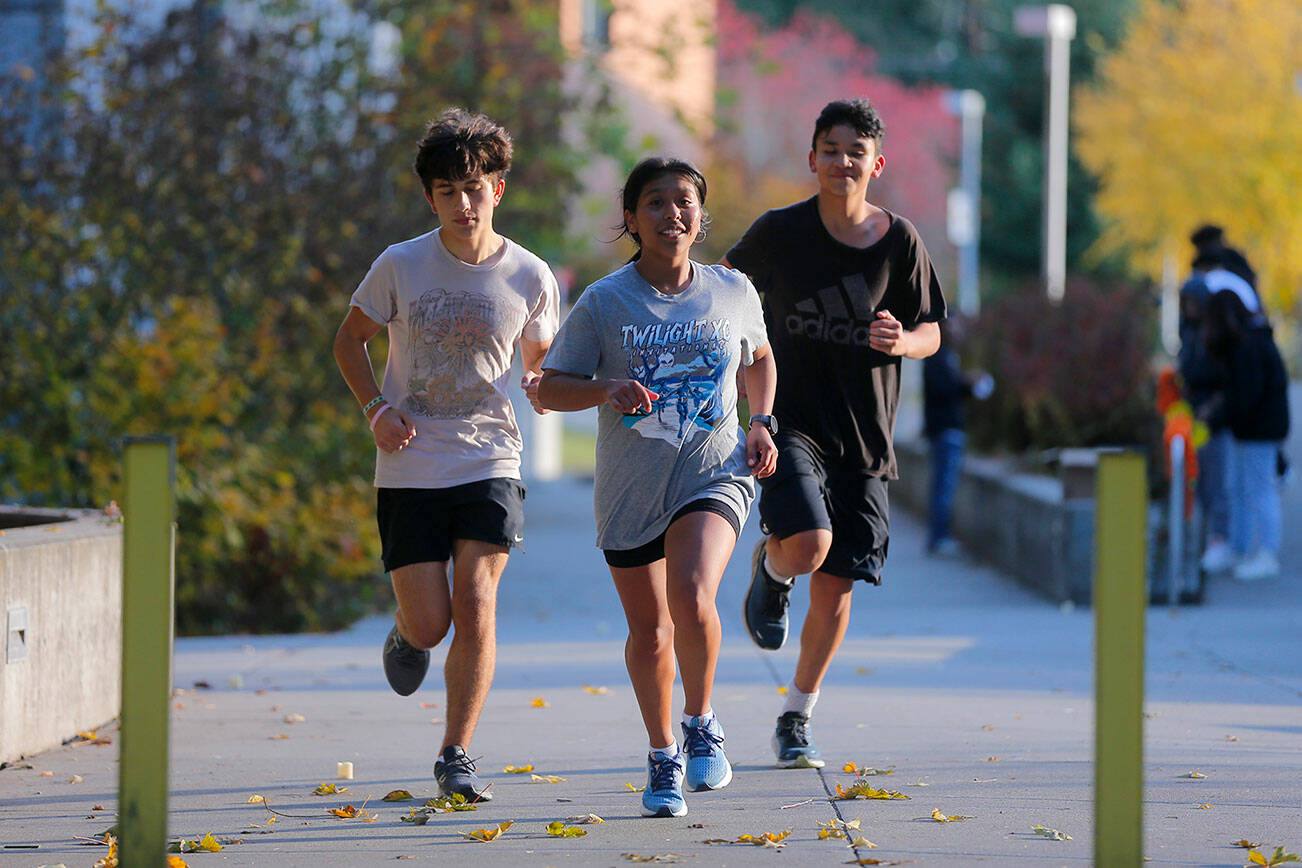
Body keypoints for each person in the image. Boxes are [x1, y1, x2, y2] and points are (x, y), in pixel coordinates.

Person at [332, 108, 560, 802]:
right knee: (432, 622)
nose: (463, 203)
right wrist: (376, 409)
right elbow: (350, 341)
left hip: (490, 460)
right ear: (430, 197)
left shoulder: (529, 275)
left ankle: (456, 753)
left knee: (478, 601)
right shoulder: (401, 265)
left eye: (475, 186)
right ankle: (407, 635)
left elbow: (544, 363)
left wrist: (549, 387)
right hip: (409, 463)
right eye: (447, 191)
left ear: (498, 187)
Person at [538, 157, 777, 818]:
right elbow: (551, 389)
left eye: (684, 202)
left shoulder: (732, 290)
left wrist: (761, 422)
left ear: (699, 218)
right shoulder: (604, 302)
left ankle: (701, 722)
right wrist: (603, 390)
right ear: (631, 219)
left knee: (693, 593)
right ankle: (661, 750)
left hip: (714, 470)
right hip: (630, 489)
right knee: (649, 633)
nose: (672, 214)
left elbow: (759, 357)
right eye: (656, 203)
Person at [721, 98, 945, 768]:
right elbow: (726, 290)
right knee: (811, 544)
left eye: (857, 151)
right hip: (789, 421)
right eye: (831, 148)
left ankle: (796, 715)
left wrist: (905, 340)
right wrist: (730, 360)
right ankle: (776, 561)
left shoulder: (900, 241)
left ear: (878, 163)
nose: (843, 161)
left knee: (839, 586)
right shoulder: (779, 233)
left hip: (866, 437)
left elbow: (934, 329)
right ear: (811, 157)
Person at [1203, 290, 1290, 581]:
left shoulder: (1249, 346)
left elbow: (1245, 395)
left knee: (1259, 489)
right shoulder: (1250, 341)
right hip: (1252, 428)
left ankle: (1267, 552)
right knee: (1240, 489)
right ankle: (1239, 548)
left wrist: (1216, 418)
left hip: (1258, 429)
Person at [921, 316, 992, 555]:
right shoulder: (937, 356)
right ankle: (940, 538)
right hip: (945, 431)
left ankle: (940, 536)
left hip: (947, 430)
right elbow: (943, 389)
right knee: (944, 486)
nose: (959, 330)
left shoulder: (947, 356)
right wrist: (967, 383)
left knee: (943, 485)